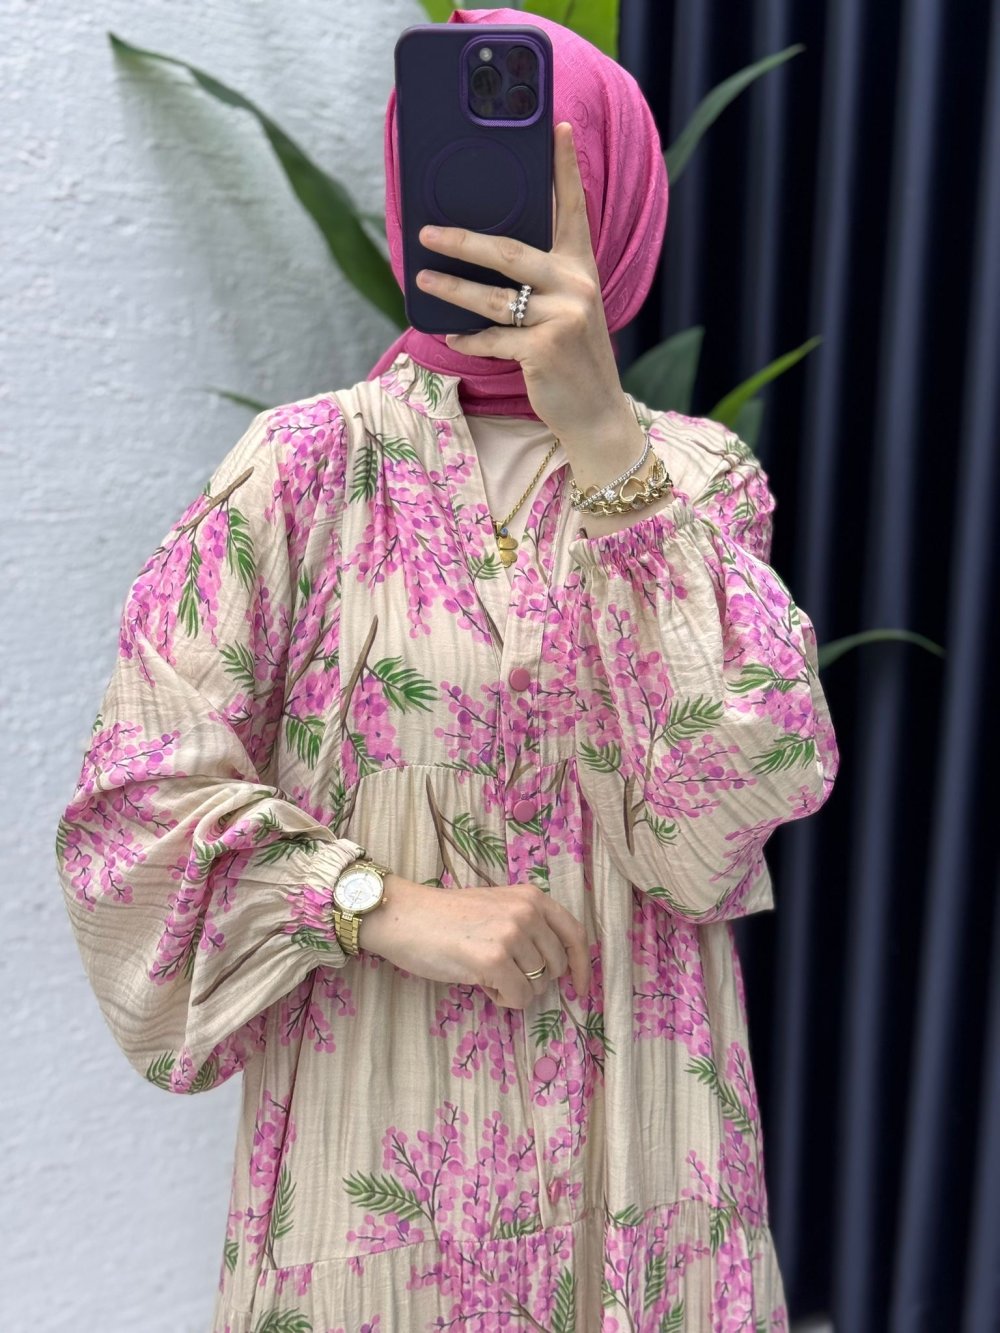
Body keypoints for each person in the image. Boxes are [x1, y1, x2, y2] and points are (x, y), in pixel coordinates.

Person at [55, 8, 839, 1330]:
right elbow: (129, 818)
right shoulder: (303, 474)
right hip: (374, 1174)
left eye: (556, 184)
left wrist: (606, 444)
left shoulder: (699, 481)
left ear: (621, 204)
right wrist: (380, 903)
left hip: (639, 1173)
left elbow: (718, 825)